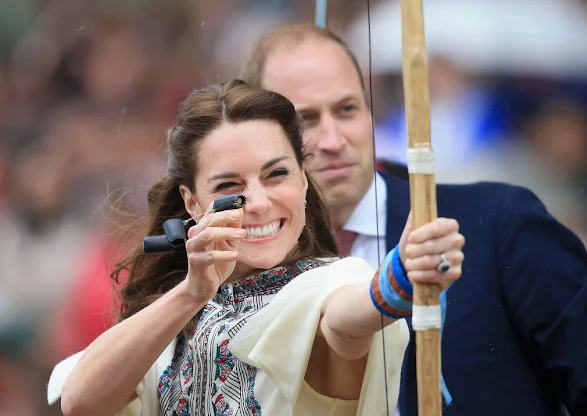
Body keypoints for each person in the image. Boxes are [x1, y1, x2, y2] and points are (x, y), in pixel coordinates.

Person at [46, 80, 463, 416]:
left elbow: (345, 319)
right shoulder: (177, 312)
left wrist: (398, 281)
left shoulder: (329, 283)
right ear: (192, 203)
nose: (259, 203)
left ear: (303, 179)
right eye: (229, 186)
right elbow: (81, 402)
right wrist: (192, 292)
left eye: (276, 174)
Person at [241, 24, 587, 415]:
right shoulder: (244, 267)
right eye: (305, 119)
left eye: (347, 109)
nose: (333, 139)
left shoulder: (498, 222)